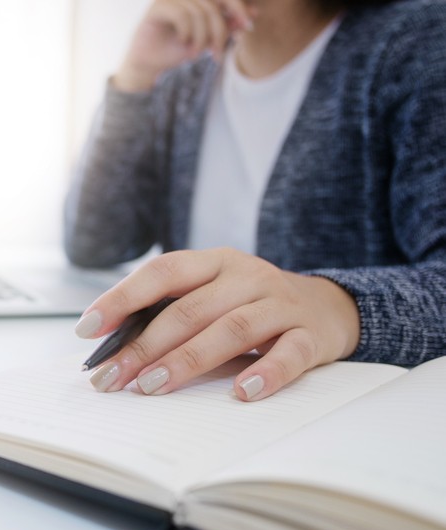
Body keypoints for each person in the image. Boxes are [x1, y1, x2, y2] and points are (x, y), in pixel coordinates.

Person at [64, 0, 446, 401]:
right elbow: (96, 241)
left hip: (335, 414)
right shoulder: (188, 72)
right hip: (195, 404)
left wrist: (336, 306)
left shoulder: (417, 41)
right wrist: (136, 76)